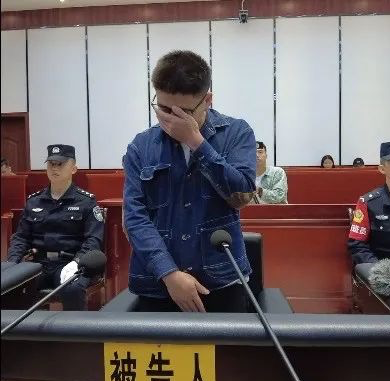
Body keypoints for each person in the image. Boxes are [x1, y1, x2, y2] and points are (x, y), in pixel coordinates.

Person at [123, 50, 256, 314]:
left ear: (207, 100)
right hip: (157, 284)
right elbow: (135, 218)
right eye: (163, 109)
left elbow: (241, 194)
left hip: (221, 280)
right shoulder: (141, 146)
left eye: (182, 112)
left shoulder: (236, 133)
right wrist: (169, 273)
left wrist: (196, 142)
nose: (169, 119)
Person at [7, 144, 104, 310]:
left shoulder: (86, 202)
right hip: (39, 264)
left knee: (73, 288)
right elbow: (21, 237)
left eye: (60, 164)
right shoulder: (34, 201)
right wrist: (12, 264)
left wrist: (77, 262)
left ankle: (74, 328)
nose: (54, 168)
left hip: (70, 263)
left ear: (73, 169)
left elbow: (93, 240)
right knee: (11, 286)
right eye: (51, 163)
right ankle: (22, 328)